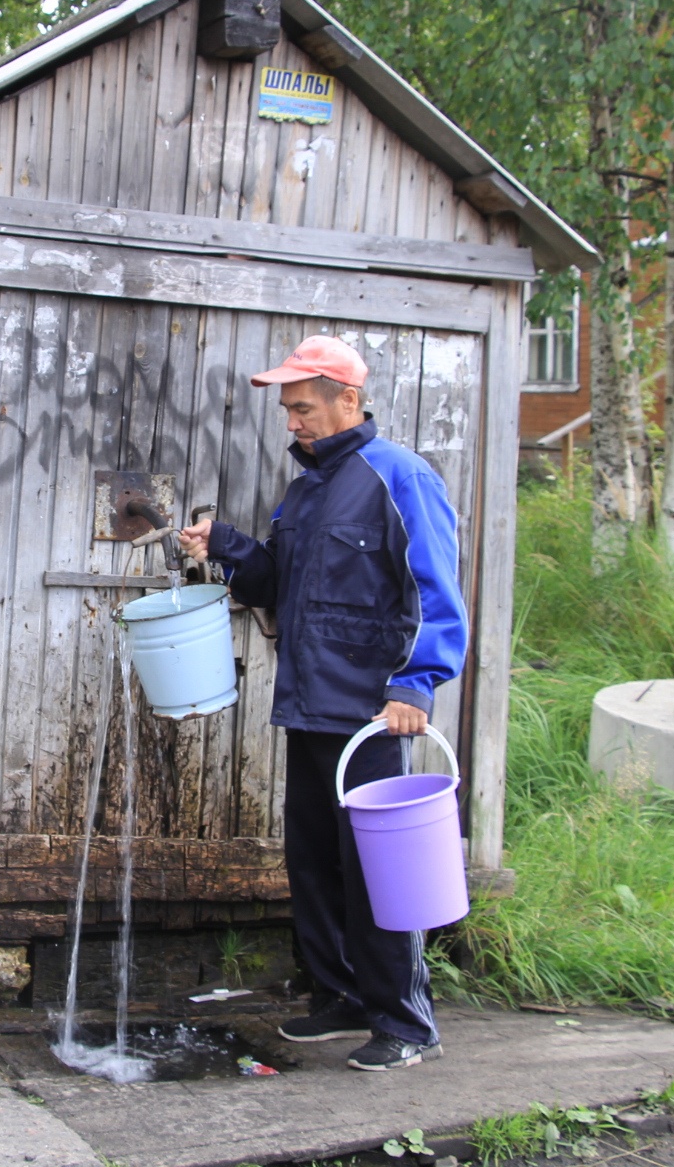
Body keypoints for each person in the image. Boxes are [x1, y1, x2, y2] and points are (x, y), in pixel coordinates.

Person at [178, 334, 468, 1072]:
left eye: (303, 407)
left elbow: (436, 592)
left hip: (372, 713)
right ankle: (339, 997)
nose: (292, 421)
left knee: (377, 870)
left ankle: (406, 1022)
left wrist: (414, 685)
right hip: (307, 706)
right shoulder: (307, 490)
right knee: (313, 862)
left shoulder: (398, 476)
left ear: (349, 399)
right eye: (288, 410)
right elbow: (280, 584)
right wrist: (229, 546)